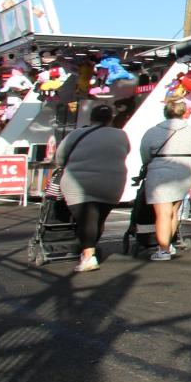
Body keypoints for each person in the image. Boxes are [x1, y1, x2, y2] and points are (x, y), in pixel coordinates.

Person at [53, 104, 131, 273]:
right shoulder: (121, 135)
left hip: (79, 181)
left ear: (91, 118)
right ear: (110, 119)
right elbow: (125, 152)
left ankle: (88, 257)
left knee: (86, 219)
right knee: (98, 219)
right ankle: (88, 251)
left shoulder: (76, 134)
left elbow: (60, 157)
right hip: (113, 182)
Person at [139, 97, 191, 261]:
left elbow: (145, 155)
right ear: (183, 112)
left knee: (163, 213)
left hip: (160, 171)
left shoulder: (153, 131)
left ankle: (163, 250)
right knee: (173, 211)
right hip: (185, 171)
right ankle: (168, 245)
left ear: (165, 112)